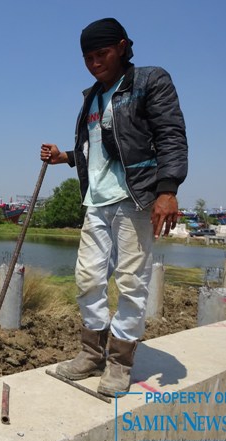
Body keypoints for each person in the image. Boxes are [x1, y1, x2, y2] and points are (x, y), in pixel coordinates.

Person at [40, 18, 187, 397]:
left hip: (136, 198)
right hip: (97, 200)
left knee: (132, 283)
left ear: (122, 46)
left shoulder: (149, 81)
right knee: (87, 278)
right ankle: (91, 353)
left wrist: (167, 190)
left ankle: (120, 363)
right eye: (87, 57)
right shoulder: (92, 95)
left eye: (101, 54)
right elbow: (100, 148)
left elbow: (170, 135)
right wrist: (65, 158)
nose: (94, 63)